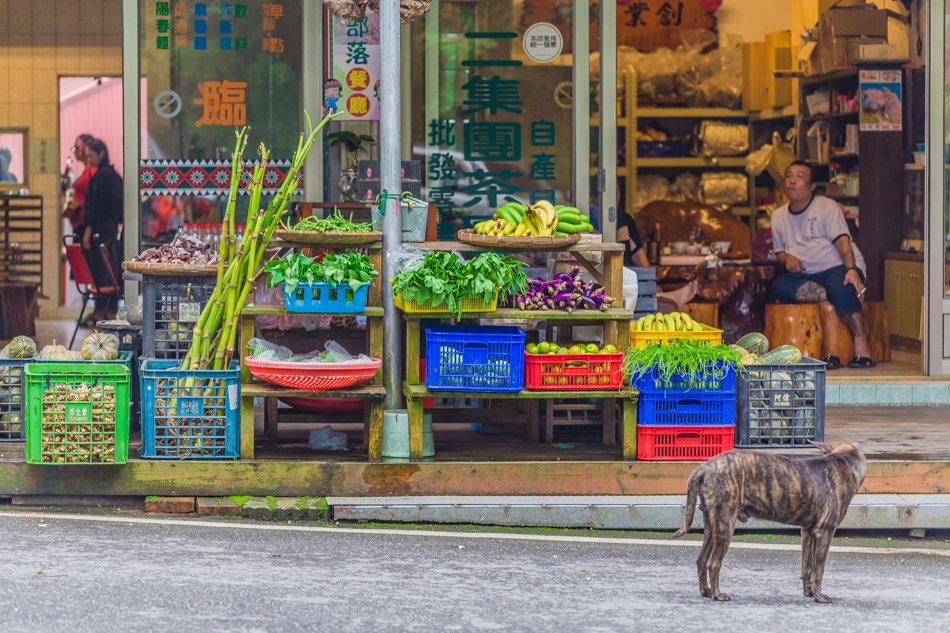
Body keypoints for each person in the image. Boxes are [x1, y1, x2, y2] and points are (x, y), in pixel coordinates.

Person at [770, 160, 874, 369]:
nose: (792, 180)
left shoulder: (826, 206)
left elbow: (843, 242)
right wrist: (787, 259)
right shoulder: (778, 216)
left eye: (799, 177)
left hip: (837, 266)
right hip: (806, 274)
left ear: (811, 187)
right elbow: (779, 253)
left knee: (842, 286)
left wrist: (851, 270)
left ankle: (862, 350)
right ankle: (827, 348)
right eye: (789, 175)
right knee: (778, 286)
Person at [82, 139, 124, 322]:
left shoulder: (102, 177)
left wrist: (88, 230)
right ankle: (109, 309)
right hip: (110, 229)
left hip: (101, 229)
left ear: (101, 154)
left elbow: (95, 207)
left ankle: (103, 310)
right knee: (109, 270)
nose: (89, 159)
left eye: (91, 155)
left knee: (101, 272)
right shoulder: (112, 176)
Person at [63, 134, 97, 234]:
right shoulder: (86, 170)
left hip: (85, 222)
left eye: (77, 148)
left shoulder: (92, 171)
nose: (75, 151)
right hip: (78, 220)